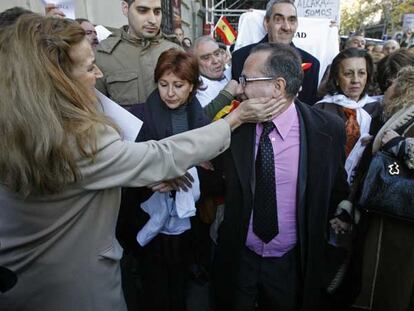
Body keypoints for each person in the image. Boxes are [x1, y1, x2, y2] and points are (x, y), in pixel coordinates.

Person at [0, 15, 283, 311]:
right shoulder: (75, 140)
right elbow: (161, 156)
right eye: (88, 67)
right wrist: (235, 119)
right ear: (56, 78)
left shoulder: (20, 121)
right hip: (73, 289)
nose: (98, 74)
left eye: (180, 85)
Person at [212, 42, 349, 311]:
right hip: (240, 258)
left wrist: (343, 212)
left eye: (247, 80)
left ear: (277, 86)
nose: (240, 88)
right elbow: (208, 167)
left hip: (292, 263)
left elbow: (336, 186)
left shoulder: (327, 130)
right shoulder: (234, 125)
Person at [353, 66, 414, 311]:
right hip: (387, 215)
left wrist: (399, 145)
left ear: (404, 88)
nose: (386, 90)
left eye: (391, 84)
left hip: (401, 225)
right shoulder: (404, 114)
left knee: (393, 286)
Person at [95, 0, 182, 108]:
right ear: (125, 8)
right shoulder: (104, 55)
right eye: (143, 10)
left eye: (157, 12)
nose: (153, 20)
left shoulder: (176, 51)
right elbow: (95, 110)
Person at [231, 0, 320, 105]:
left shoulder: (311, 64)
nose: (286, 27)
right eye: (278, 20)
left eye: (292, 20)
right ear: (266, 23)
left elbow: (307, 108)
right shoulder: (241, 57)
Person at [316, 48, 380, 184]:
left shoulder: (378, 109)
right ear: (336, 79)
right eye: (348, 74)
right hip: (327, 183)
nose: (356, 80)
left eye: (361, 73)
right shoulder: (321, 109)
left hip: (362, 185)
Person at [193, 36, 231, 107]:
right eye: (206, 58)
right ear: (195, 63)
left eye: (217, 54)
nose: (216, 61)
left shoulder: (232, 73)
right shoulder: (198, 90)